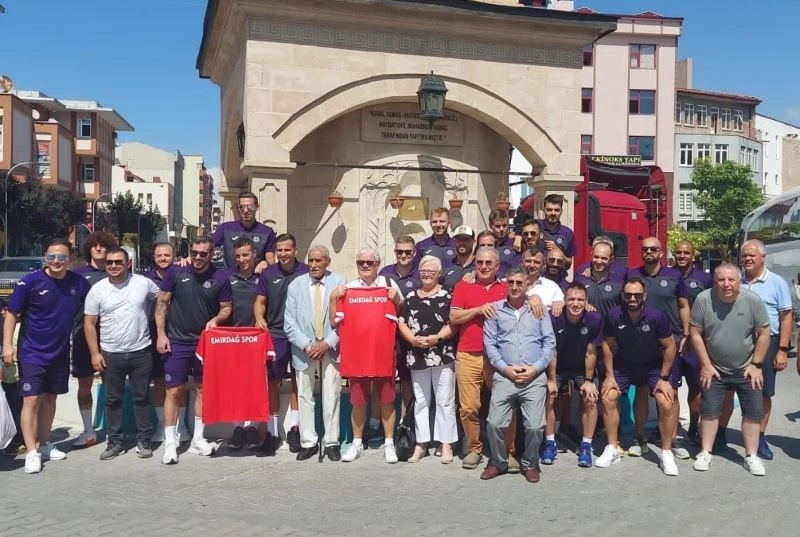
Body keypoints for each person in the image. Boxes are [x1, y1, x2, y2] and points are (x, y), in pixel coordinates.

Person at [3, 239, 91, 474]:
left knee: (51, 399)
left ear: (70, 259)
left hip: (60, 352)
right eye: (51, 256)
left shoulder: (78, 283)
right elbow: (11, 314)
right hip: (32, 352)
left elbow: (98, 300)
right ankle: (31, 451)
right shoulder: (30, 282)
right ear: (45, 257)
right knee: (31, 400)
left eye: (62, 257)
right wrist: (7, 346)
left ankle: (43, 444)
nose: (56, 261)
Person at [155, 237, 232, 465]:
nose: (198, 257)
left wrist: (216, 320)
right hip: (176, 342)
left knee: (202, 389)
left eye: (203, 254)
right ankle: (170, 442)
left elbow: (226, 308)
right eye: (194, 253)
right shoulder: (176, 272)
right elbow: (162, 303)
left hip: (204, 343)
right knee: (173, 391)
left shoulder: (220, 277)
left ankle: (198, 438)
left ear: (212, 254)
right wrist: (161, 334)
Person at [689, 263, 771, 476]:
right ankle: (705, 452)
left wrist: (756, 365)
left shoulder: (752, 300)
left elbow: (764, 333)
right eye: (721, 280)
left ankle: (751, 456)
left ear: (739, 281)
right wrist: (706, 365)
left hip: (746, 369)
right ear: (715, 281)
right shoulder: (703, 299)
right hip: (714, 368)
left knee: (752, 413)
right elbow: (695, 333)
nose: (726, 284)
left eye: (731, 280)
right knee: (709, 412)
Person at [717, 240, 793, 459]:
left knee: (763, 392)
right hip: (736, 343)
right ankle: (720, 433)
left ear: (763, 257)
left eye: (752, 255)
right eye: (744, 255)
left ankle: (759, 437)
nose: (747, 259)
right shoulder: (734, 280)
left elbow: (786, 317)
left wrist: (782, 350)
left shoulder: (777, 283)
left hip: (767, 343)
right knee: (728, 390)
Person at [595, 277, 679, 476]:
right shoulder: (614, 315)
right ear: (623, 296)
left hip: (652, 366)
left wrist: (663, 378)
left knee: (666, 401)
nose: (632, 298)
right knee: (608, 397)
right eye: (628, 295)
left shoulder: (657, 316)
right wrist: (609, 375)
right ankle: (612, 448)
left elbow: (670, 346)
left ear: (644, 296)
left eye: (637, 295)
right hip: (624, 364)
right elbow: (607, 344)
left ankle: (666, 453)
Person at [84, 248, 160, 460]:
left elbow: (162, 298)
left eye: (118, 262)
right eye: (109, 262)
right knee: (112, 400)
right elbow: (89, 323)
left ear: (128, 263)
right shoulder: (97, 290)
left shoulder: (143, 283)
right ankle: (115, 442)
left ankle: (144, 440)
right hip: (110, 353)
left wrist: (157, 321)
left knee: (141, 397)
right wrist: (95, 354)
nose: (113, 265)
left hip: (141, 351)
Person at [481, 266, 556, 483]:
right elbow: (490, 345)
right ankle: (498, 461)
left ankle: (530, 463)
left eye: (519, 283)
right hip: (505, 374)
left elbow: (549, 342)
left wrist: (536, 368)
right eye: (511, 282)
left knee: (535, 426)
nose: (514, 286)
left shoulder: (538, 309)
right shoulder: (495, 310)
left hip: (534, 376)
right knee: (494, 423)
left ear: (527, 285)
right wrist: (505, 369)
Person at [330, 247, 402, 463]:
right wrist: (333, 299)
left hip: (383, 355)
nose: (365, 266)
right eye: (361, 262)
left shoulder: (389, 285)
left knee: (387, 400)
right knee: (358, 402)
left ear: (378, 264)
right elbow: (334, 321)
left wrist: (397, 300)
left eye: (370, 262)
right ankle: (357, 443)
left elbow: (402, 315)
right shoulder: (348, 289)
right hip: (357, 356)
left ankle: (389, 443)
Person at [628, 236, 689, 459]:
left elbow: (683, 305)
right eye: (645, 249)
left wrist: (686, 334)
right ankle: (639, 438)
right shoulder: (632, 274)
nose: (649, 252)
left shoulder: (674, 276)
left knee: (671, 392)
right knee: (641, 390)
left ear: (661, 252)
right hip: (641, 342)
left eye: (653, 249)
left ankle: (672, 439)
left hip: (669, 342)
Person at [284, 245, 346, 461]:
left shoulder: (339, 282)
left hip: (331, 348)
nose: (313, 265)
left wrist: (327, 343)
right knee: (304, 395)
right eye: (310, 260)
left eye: (318, 261)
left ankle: (331, 442)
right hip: (305, 350)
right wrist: (307, 345)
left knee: (332, 394)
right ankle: (308, 442)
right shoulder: (296, 285)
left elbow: (345, 319)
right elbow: (289, 322)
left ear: (327, 262)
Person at [449, 247, 509, 470]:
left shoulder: (506, 288)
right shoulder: (463, 286)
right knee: (468, 407)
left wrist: (535, 299)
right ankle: (474, 448)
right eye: (480, 263)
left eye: (488, 263)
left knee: (505, 404)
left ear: (497, 266)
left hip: (500, 357)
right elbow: (454, 316)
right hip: (468, 354)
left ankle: (507, 450)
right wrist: (477, 310)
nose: (483, 267)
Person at [397, 255, 457, 464]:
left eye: (431, 271)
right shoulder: (410, 297)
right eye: (424, 271)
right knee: (421, 401)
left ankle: (445, 443)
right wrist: (412, 339)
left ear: (439, 273)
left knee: (444, 399)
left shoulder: (448, 296)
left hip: (442, 353)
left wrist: (437, 338)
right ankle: (421, 444)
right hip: (417, 355)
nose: (427, 274)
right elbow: (401, 322)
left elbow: (454, 323)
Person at [253, 233, 308, 454]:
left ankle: (295, 430)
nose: (283, 254)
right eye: (280, 250)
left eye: (287, 250)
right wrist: (259, 317)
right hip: (275, 334)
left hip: (301, 335)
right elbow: (260, 302)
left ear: (295, 250)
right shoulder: (268, 273)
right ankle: (272, 432)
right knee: (272, 382)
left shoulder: (305, 271)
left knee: (298, 382)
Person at [544, 282, 602, 468]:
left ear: (586, 301)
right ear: (564, 300)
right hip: (558, 367)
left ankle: (586, 446)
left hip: (581, 368)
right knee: (550, 396)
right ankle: (550, 442)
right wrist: (551, 380)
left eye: (580, 300)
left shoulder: (594, 319)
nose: (575, 303)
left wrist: (589, 381)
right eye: (571, 299)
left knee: (590, 398)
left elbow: (591, 352)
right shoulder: (554, 318)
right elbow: (552, 351)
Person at [71, 230, 118, 449]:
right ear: (88, 248)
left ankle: (112, 431)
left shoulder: (117, 273)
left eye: (103, 245)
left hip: (111, 338)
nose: (98, 248)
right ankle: (89, 431)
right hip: (83, 337)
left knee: (112, 387)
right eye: (94, 245)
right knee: (84, 386)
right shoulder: (77, 275)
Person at [226, 237, 270, 452]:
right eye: (238, 256)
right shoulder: (227, 276)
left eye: (245, 255)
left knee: (255, 384)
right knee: (235, 385)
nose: (242, 259)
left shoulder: (264, 276)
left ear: (254, 254)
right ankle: (237, 427)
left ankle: (252, 426)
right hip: (232, 339)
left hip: (256, 339)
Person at [145, 243, 190, 443]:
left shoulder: (184, 273)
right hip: (155, 335)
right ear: (154, 258)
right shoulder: (145, 279)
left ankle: (181, 427)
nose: (163, 258)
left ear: (175, 256)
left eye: (167, 255)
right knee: (159, 382)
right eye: (159, 255)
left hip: (180, 335)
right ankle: (162, 426)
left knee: (179, 384)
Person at [672, 240, 713, 445]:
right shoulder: (666, 275)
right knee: (670, 387)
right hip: (672, 339)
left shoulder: (705, 279)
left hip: (696, 341)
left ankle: (693, 428)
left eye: (686, 252)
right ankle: (668, 428)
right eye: (678, 252)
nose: (682, 256)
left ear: (693, 254)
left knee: (696, 387)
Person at [379, 235, 421, 416]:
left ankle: (407, 420)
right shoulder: (384, 273)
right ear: (395, 252)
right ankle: (377, 421)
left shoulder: (421, 274)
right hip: (387, 333)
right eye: (399, 251)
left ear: (414, 253)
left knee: (407, 379)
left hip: (411, 335)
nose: (403, 255)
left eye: (407, 252)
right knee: (383, 378)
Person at [212, 191, 276, 271]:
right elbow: (208, 248)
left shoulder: (267, 232)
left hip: (256, 277)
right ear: (238, 208)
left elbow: (271, 260)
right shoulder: (225, 228)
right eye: (241, 207)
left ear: (257, 207)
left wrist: (266, 263)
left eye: (250, 207)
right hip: (230, 277)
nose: (245, 210)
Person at [574, 240, 624, 318]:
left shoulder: (619, 284)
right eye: (596, 257)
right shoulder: (580, 281)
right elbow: (571, 302)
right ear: (591, 255)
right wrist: (583, 305)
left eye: (604, 258)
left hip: (609, 325)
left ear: (611, 259)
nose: (599, 261)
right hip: (587, 325)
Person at [0, 299, 23, 456]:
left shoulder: (22, 328)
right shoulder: (5, 328)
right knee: (9, 410)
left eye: (6, 309)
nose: (3, 312)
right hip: (6, 378)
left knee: (17, 410)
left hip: (18, 378)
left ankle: (18, 441)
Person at [538, 194, 575, 269]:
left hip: (558, 274)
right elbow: (521, 228)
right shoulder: (536, 225)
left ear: (561, 211)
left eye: (556, 210)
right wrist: (518, 235)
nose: (553, 213)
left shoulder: (568, 233)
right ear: (544, 210)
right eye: (549, 210)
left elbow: (569, 263)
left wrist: (558, 251)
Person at [441, 225, 476, 291]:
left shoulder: (480, 265)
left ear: (473, 242)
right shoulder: (446, 265)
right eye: (458, 239)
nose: (461, 243)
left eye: (465, 239)